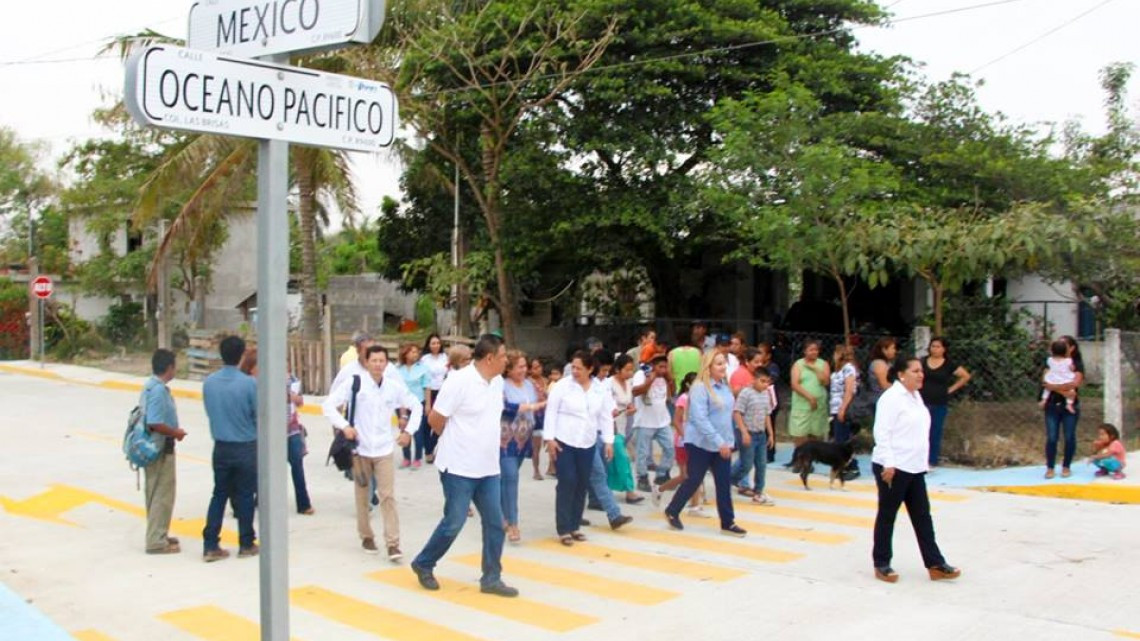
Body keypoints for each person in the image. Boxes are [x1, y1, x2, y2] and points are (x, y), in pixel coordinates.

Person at [411, 334, 519, 598]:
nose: (507, 360)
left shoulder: (496, 383)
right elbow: (436, 418)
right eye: (504, 356)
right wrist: (453, 441)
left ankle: (491, 578)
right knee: (454, 521)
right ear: (490, 358)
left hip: (488, 467)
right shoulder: (459, 381)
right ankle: (424, 563)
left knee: (495, 523)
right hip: (458, 466)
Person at [323, 345, 419, 561]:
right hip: (360, 450)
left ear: (387, 363)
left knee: (388, 496)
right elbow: (328, 405)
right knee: (362, 494)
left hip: (384, 449)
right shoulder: (354, 384)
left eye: (381, 360)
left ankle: (393, 543)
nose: (377, 364)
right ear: (366, 363)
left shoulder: (393, 387)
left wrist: (408, 432)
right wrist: (344, 426)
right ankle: (366, 535)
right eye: (373, 360)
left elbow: (416, 406)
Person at [871, 357, 960, 584]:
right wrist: (888, 464)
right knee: (887, 515)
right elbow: (882, 433)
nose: (921, 375)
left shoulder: (915, 397)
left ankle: (935, 563)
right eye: (915, 371)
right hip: (893, 467)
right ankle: (881, 563)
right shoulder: (891, 398)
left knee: (922, 516)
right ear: (902, 374)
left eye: (921, 371)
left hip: (914, 466)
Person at [662, 351, 748, 537]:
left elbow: (726, 417)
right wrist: (719, 442)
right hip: (701, 443)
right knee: (694, 479)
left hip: (721, 444)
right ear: (707, 367)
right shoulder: (700, 388)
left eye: (724, 363)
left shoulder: (724, 387)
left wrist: (729, 442)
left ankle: (728, 522)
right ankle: (672, 510)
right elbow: (700, 419)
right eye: (718, 364)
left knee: (723, 483)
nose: (723, 367)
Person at [545, 351, 621, 546]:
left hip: (587, 442)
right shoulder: (563, 386)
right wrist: (549, 439)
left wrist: (609, 441)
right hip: (564, 441)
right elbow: (551, 411)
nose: (575, 371)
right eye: (573, 367)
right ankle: (563, 528)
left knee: (582, 484)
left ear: (590, 369)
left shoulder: (599, 389)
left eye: (579, 368)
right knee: (567, 481)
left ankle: (574, 525)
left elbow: (605, 416)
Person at [201, 336, 259, 562]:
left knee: (219, 493)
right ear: (242, 355)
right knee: (245, 495)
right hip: (245, 445)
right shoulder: (248, 384)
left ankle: (211, 543)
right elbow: (256, 414)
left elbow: (209, 411)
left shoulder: (210, 382)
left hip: (221, 446)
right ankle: (246, 543)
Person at [142, 348, 186, 555]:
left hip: (153, 447)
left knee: (155, 492)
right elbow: (154, 422)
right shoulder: (158, 390)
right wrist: (175, 432)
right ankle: (156, 540)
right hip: (160, 448)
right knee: (163, 494)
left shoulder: (150, 386)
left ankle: (158, 532)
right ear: (169, 368)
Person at [501, 350, 543, 543]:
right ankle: (513, 523)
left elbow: (539, 406)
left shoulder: (529, 385)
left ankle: (501, 512)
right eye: (519, 367)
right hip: (505, 439)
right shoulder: (500, 386)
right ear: (508, 369)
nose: (524, 370)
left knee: (507, 479)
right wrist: (526, 408)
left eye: (525, 366)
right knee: (511, 478)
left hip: (524, 438)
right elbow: (503, 408)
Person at [652, 373, 704, 514]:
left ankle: (693, 502)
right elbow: (676, 421)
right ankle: (693, 505)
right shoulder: (683, 399)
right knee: (688, 475)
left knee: (690, 475)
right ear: (687, 384)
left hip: (696, 441)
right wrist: (686, 437)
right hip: (683, 443)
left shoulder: (699, 398)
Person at [920, 337, 971, 467]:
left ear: (944, 349)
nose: (935, 349)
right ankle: (919, 457)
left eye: (938, 346)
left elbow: (965, 376)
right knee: (920, 430)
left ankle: (932, 459)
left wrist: (951, 389)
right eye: (933, 346)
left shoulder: (949, 364)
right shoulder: (922, 362)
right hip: (922, 400)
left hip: (939, 401)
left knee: (935, 430)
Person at [1042, 336, 1085, 479]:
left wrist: (1054, 387)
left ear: (1072, 348)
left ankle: (1066, 466)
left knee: (1069, 436)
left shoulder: (1075, 363)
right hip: (1052, 405)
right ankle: (1050, 467)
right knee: (1052, 437)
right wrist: (1063, 391)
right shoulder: (1050, 362)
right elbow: (1045, 380)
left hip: (1069, 405)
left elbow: (1075, 383)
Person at [631, 355, 675, 492]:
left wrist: (669, 379)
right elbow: (636, 391)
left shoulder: (665, 377)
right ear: (653, 366)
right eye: (660, 367)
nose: (663, 370)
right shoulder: (641, 374)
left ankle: (662, 474)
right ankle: (642, 477)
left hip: (662, 420)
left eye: (665, 367)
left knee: (670, 447)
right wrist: (650, 379)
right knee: (642, 453)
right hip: (645, 421)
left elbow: (671, 394)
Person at [731, 370, 775, 505]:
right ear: (754, 380)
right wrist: (744, 432)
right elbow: (737, 413)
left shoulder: (766, 394)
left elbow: (767, 414)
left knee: (761, 464)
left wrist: (771, 433)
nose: (765, 385)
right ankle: (728, 479)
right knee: (746, 464)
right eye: (762, 381)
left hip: (760, 433)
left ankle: (758, 492)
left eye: (767, 382)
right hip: (747, 432)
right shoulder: (746, 393)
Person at [606, 354, 643, 505]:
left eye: (631, 370)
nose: (630, 373)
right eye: (627, 370)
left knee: (613, 459)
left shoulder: (628, 384)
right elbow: (607, 404)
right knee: (622, 457)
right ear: (617, 369)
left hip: (623, 424)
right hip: (611, 425)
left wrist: (630, 408)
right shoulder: (609, 384)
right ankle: (629, 490)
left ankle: (607, 488)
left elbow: (629, 402)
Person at [789, 340, 831, 447]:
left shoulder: (823, 364)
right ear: (805, 351)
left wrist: (815, 369)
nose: (814, 352)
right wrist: (809, 397)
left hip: (818, 405)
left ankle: (812, 457)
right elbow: (794, 384)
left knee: (816, 432)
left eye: (816, 350)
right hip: (802, 404)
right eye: (811, 350)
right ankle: (800, 458)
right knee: (800, 433)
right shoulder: (798, 364)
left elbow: (825, 382)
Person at [396, 343, 432, 469]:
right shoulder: (398, 369)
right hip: (402, 404)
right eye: (412, 352)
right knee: (404, 428)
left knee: (418, 432)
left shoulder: (423, 368)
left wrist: (428, 404)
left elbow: (427, 387)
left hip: (419, 402)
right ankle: (406, 457)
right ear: (405, 354)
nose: (415, 354)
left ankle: (417, 458)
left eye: (417, 352)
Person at [829, 344, 860, 479]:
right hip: (835, 408)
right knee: (838, 439)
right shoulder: (838, 370)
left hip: (843, 409)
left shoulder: (849, 369)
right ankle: (842, 466)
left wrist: (842, 408)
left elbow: (849, 390)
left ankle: (852, 467)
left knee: (843, 441)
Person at [286, 364, 313, 515]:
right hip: (272, 432)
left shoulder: (294, 381)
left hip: (292, 430)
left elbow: (300, 402)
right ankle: (260, 499)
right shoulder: (264, 380)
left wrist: (292, 396)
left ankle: (303, 503)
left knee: (297, 465)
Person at [420, 334, 449, 462]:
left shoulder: (445, 357)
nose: (436, 345)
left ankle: (431, 447)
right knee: (427, 422)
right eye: (433, 343)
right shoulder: (424, 359)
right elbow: (424, 378)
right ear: (429, 345)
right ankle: (428, 452)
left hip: (442, 392)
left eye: (438, 343)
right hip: (429, 391)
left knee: (441, 422)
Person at [527, 357, 549, 481]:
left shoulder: (545, 381)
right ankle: (536, 469)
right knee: (535, 445)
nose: (537, 370)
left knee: (539, 445)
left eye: (539, 367)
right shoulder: (528, 382)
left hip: (544, 414)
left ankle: (540, 469)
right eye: (534, 368)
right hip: (533, 414)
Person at [1040, 339, 1077, 413]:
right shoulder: (1068, 360)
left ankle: (1044, 400)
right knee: (1071, 390)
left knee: (1047, 389)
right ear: (1065, 351)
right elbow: (1072, 368)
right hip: (1064, 380)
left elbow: (1048, 368)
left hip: (1052, 379)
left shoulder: (1050, 359)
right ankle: (1069, 404)